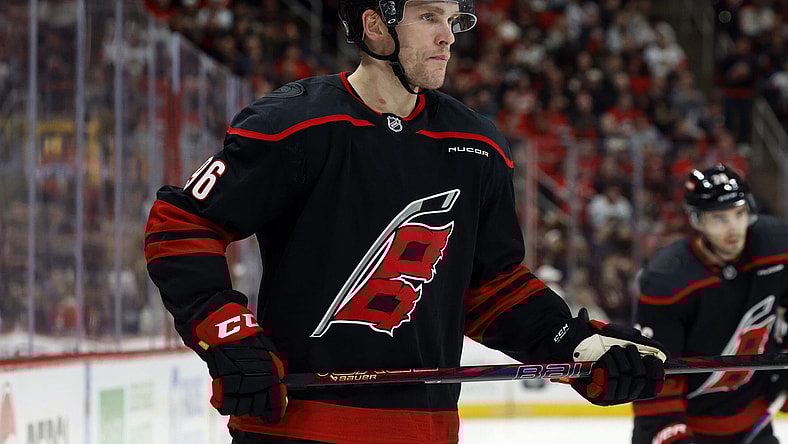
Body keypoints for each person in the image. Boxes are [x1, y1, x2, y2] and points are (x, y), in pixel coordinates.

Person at [144, 1, 667, 442]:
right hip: (294, 427)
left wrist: (577, 345)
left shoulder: (478, 147)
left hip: (426, 428)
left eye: (453, 19)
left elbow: (492, 290)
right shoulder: (295, 125)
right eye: (428, 17)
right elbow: (181, 224)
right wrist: (230, 337)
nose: (448, 36)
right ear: (376, 26)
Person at [633, 163, 788, 444]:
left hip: (751, 424)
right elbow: (655, 376)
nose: (733, 229)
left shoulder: (776, 246)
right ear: (697, 220)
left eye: (740, 214)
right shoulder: (668, 280)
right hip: (686, 428)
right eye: (719, 218)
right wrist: (671, 435)